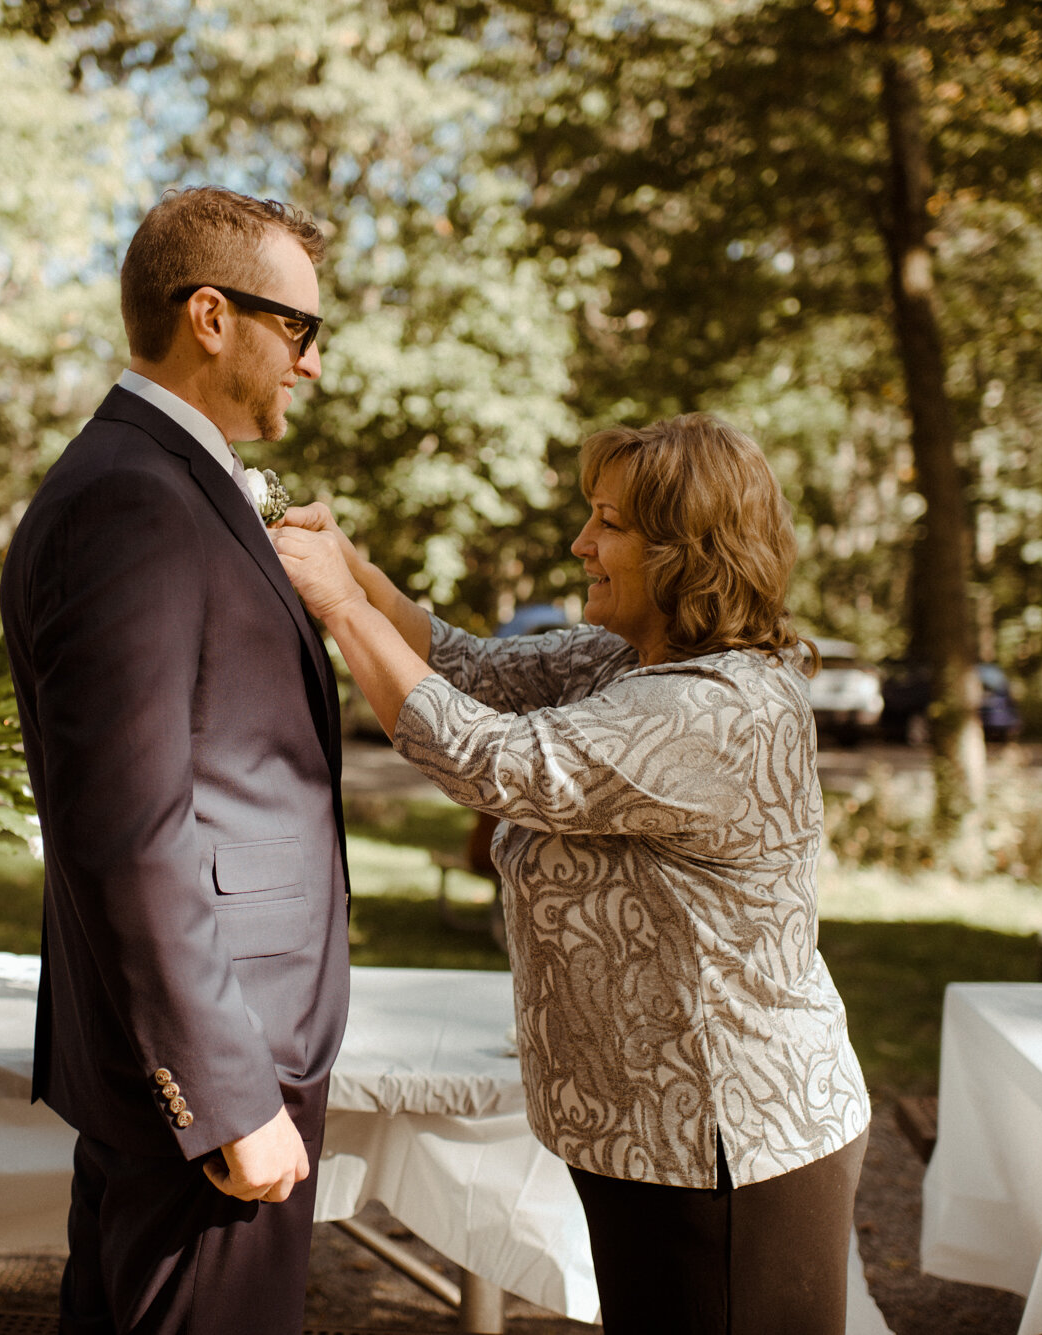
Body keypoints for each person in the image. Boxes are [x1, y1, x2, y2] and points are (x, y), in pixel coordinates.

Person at [271, 412, 870, 1333]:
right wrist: (353, 567)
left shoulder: (718, 710)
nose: (582, 543)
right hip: (646, 1135)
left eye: (610, 523)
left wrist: (340, 609)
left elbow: (491, 759)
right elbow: (466, 667)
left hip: (729, 1145)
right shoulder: (630, 657)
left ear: (686, 550)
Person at [0, 186, 349, 1335]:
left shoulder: (160, 483)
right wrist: (224, 1097)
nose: (308, 364)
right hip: (210, 1075)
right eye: (297, 329)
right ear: (210, 315)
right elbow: (128, 833)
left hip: (215, 1051)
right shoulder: (132, 502)